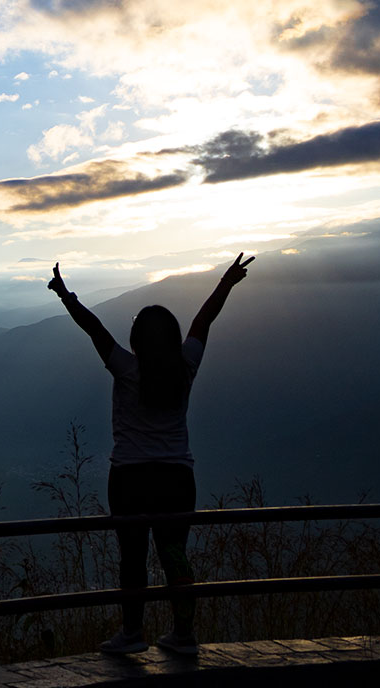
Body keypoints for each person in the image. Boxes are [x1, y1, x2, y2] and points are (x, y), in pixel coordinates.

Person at [47, 253, 254, 655]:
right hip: (177, 476)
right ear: (172, 338)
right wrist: (227, 281)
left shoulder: (127, 369)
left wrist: (65, 295)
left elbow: (95, 329)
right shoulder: (186, 365)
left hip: (130, 477)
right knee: (175, 555)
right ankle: (183, 634)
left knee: (133, 557)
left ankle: (132, 633)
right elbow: (203, 320)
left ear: (138, 339)